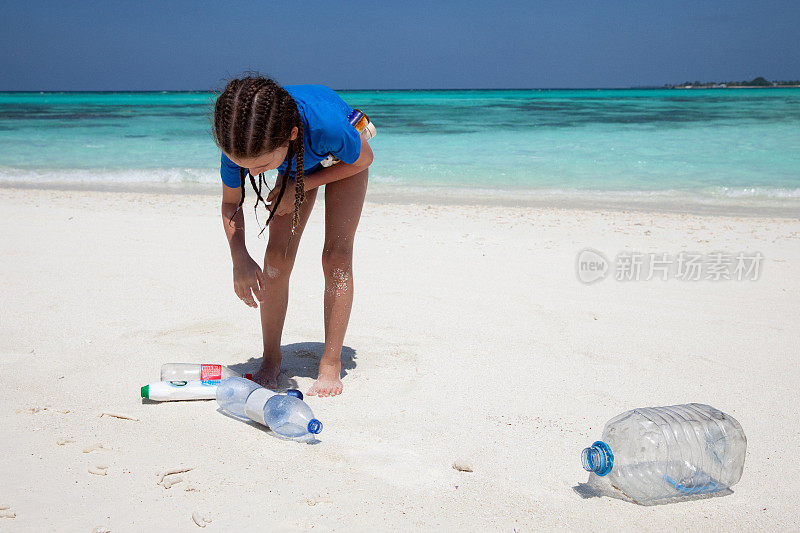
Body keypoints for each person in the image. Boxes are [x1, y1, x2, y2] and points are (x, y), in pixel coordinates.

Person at [212, 74, 374, 397]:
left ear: (290, 136)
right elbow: (231, 204)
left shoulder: (327, 125)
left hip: (341, 153)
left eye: (262, 166)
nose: (256, 174)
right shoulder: (240, 145)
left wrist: (301, 185)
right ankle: (271, 360)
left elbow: (365, 158)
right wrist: (239, 256)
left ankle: (330, 364)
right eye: (246, 166)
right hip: (294, 159)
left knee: (336, 256)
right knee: (276, 258)